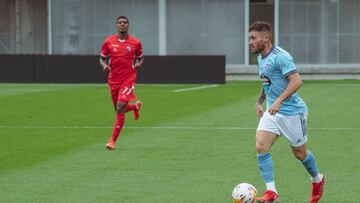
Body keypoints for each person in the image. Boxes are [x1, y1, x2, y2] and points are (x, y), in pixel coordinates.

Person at [248, 21, 325, 203]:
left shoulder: (281, 56)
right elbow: (268, 81)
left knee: (300, 153)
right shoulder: (261, 58)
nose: (250, 42)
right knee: (261, 145)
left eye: (253, 38)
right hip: (273, 112)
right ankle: (271, 192)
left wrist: (279, 102)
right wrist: (260, 101)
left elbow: (297, 81)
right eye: (249, 38)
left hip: (293, 113)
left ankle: (317, 179)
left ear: (266, 38)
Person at [99, 16, 144, 150]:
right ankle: (135, 107)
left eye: (125, 23)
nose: (122, 25)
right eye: (120, 23)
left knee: (120, 107)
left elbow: (141, 58)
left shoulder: (135, 43)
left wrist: (138, 64)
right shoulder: (108, 42)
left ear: (128, 25)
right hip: (113, 80)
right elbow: (101, 58)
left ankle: (112, 140)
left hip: (128, 79)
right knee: (119, 109)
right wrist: (104, 65)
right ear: (117, 25)